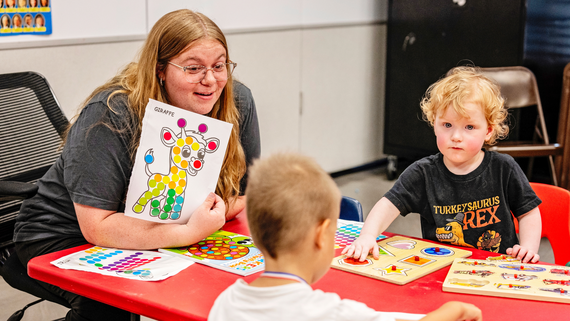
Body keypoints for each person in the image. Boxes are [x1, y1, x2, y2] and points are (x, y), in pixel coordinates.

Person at [13, 9, 260, 321]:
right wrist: (186, 231)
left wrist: (198, 223)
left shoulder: (236, 101)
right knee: (110, 307)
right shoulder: (111, 112)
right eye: (193, 68)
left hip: (164, 226)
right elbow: (98, 227)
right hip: (62, 234)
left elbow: (245, 194)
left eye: (219, 65)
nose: (210, 80)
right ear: (160, 69)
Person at [209, 152, 482, 321]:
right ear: (321, 235)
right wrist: (454, 311)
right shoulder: (330, 312)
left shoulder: (225, 301)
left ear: (255, 236)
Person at [344, 66, 542, 264]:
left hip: (498, 268)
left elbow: (528, 213)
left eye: (469, 127)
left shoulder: (503, 168)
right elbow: (387, 206)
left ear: (488, 131)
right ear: (434, 123)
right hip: (440, 268)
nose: (456, 137)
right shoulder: (423, 173)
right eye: (447, 125)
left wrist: (527, 249)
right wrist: (368, 235)